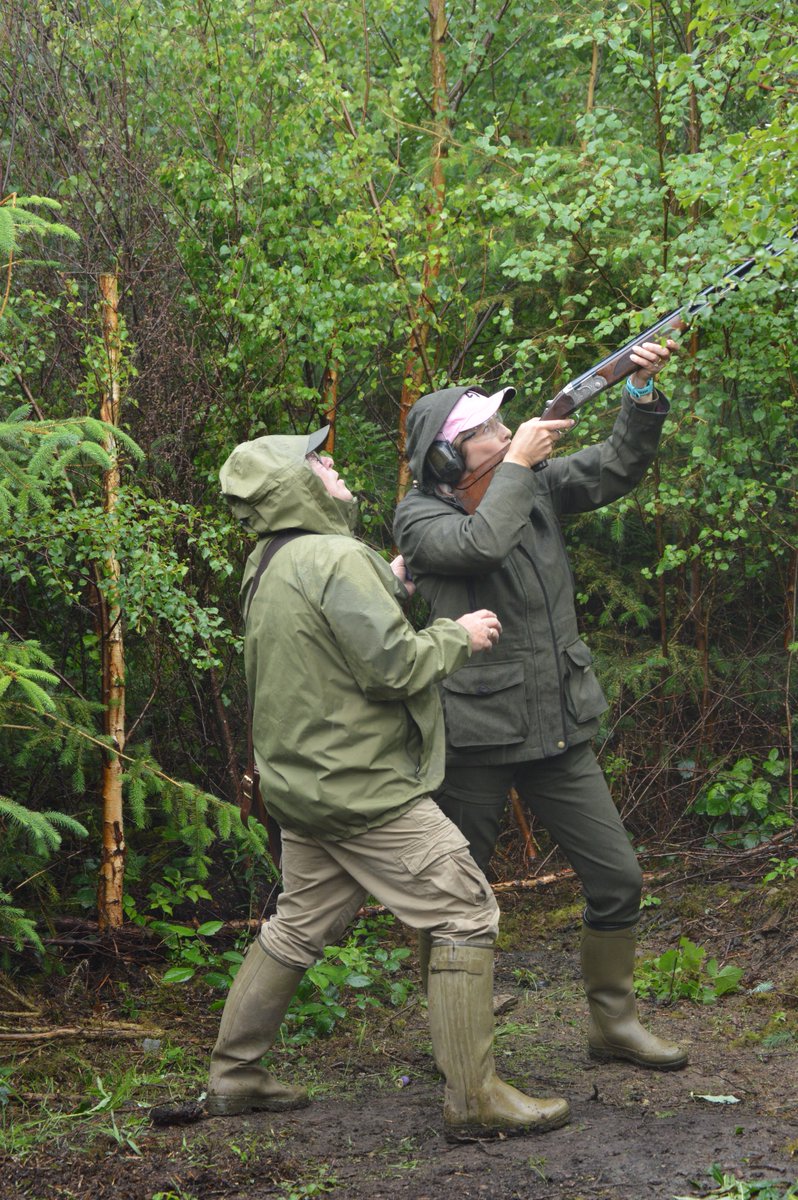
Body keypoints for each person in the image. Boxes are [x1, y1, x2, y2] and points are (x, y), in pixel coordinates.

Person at [207, 426, 571, 1140]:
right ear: (293, 484)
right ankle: (475, 1100)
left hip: (302, 785)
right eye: (317, 459)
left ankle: (234, 1076)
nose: (331, 463)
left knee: (297, 925)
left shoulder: (272, 559)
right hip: (363, 787)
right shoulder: (337, 558)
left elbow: (327, 637)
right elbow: (395, 667)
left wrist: (389, 581)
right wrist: (459, 635)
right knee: (465, 912)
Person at [393, 341, 689, 1071]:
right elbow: (481, 545)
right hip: (474, 736)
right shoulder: (418, 519)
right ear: (445, 459)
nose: (509, 432)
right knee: (454, 895)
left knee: (617, 878)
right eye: (489, 430)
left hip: (557, 726)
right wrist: (519, 465)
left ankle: (613, 1025)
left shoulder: (531, 482)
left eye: (506, 426)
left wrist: (638, 393)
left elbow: (614, 467)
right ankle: (450, 1031)